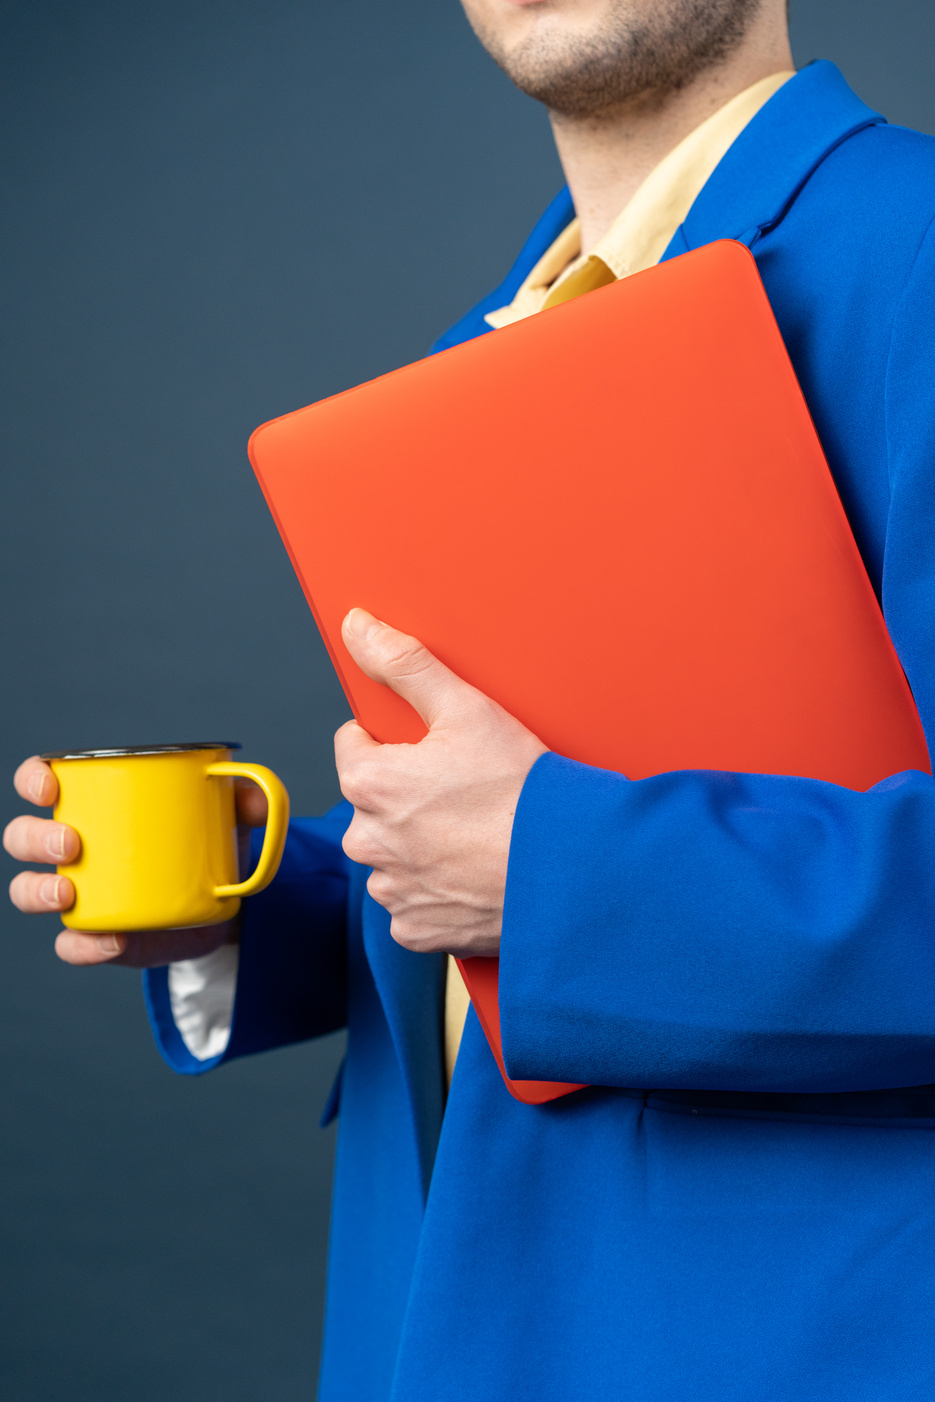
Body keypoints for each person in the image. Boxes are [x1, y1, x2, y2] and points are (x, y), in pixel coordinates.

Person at [7, 1, 935, 1397]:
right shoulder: (472, 358)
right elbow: (514, 822)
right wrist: (246, 898)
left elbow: (542, 848)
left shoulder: (919, 253)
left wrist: (546, 868)